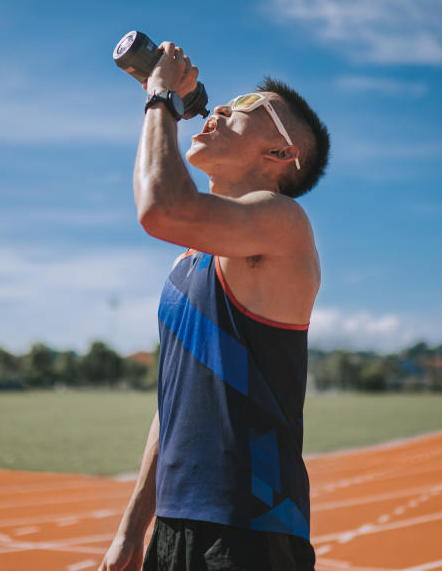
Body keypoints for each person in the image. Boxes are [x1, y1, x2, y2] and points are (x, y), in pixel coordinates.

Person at [98, 41, 330, 571]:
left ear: (279, 155)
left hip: (251, 528)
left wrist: (161, 98)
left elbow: (160, 206)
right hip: (176, 525)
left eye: (246, 106)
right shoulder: (190, 261)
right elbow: (173, 403)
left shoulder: (281, 221)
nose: (221, 109)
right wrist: (133, 530)